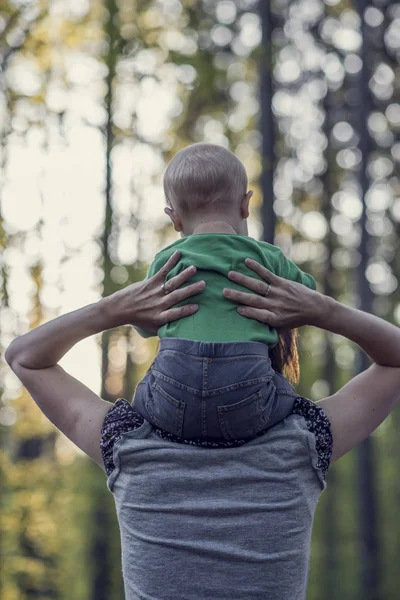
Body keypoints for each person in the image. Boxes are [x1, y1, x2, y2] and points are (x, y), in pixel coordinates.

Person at [5, 251, 400, 600]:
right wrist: (323, 310)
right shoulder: (304, 443)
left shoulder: (127, 444)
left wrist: (116, 308)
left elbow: (25, 356)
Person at [133, 142, 316, 444]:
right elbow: (309, 298)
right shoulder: (267, 257)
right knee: (290, 400)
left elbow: (143, 324)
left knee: (142, 399)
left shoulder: (167, 261)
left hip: (173, 394)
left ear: (174, 217)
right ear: (245, 205)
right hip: (248, 391)